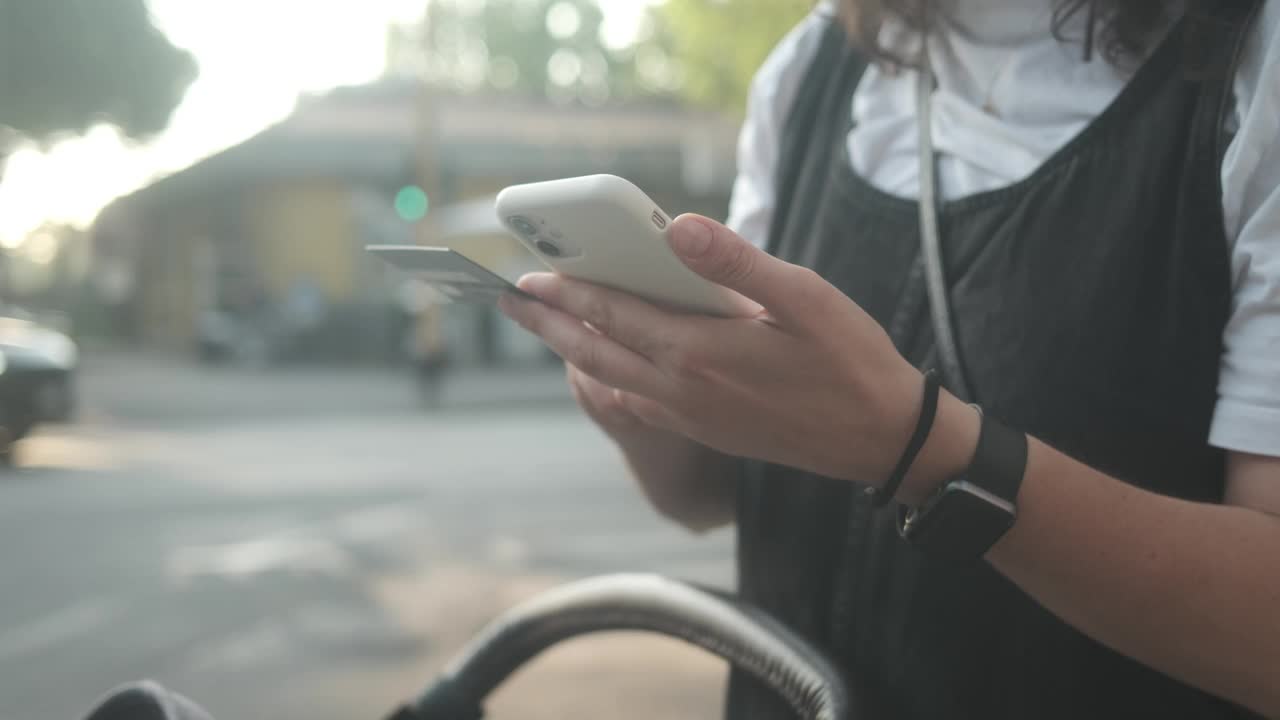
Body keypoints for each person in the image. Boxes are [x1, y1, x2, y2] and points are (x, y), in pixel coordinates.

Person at [498, 1, 1280, 718]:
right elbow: (712, 497)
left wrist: (917, 445)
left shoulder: (1254, 65)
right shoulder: (814, 67)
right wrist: (640, 402)